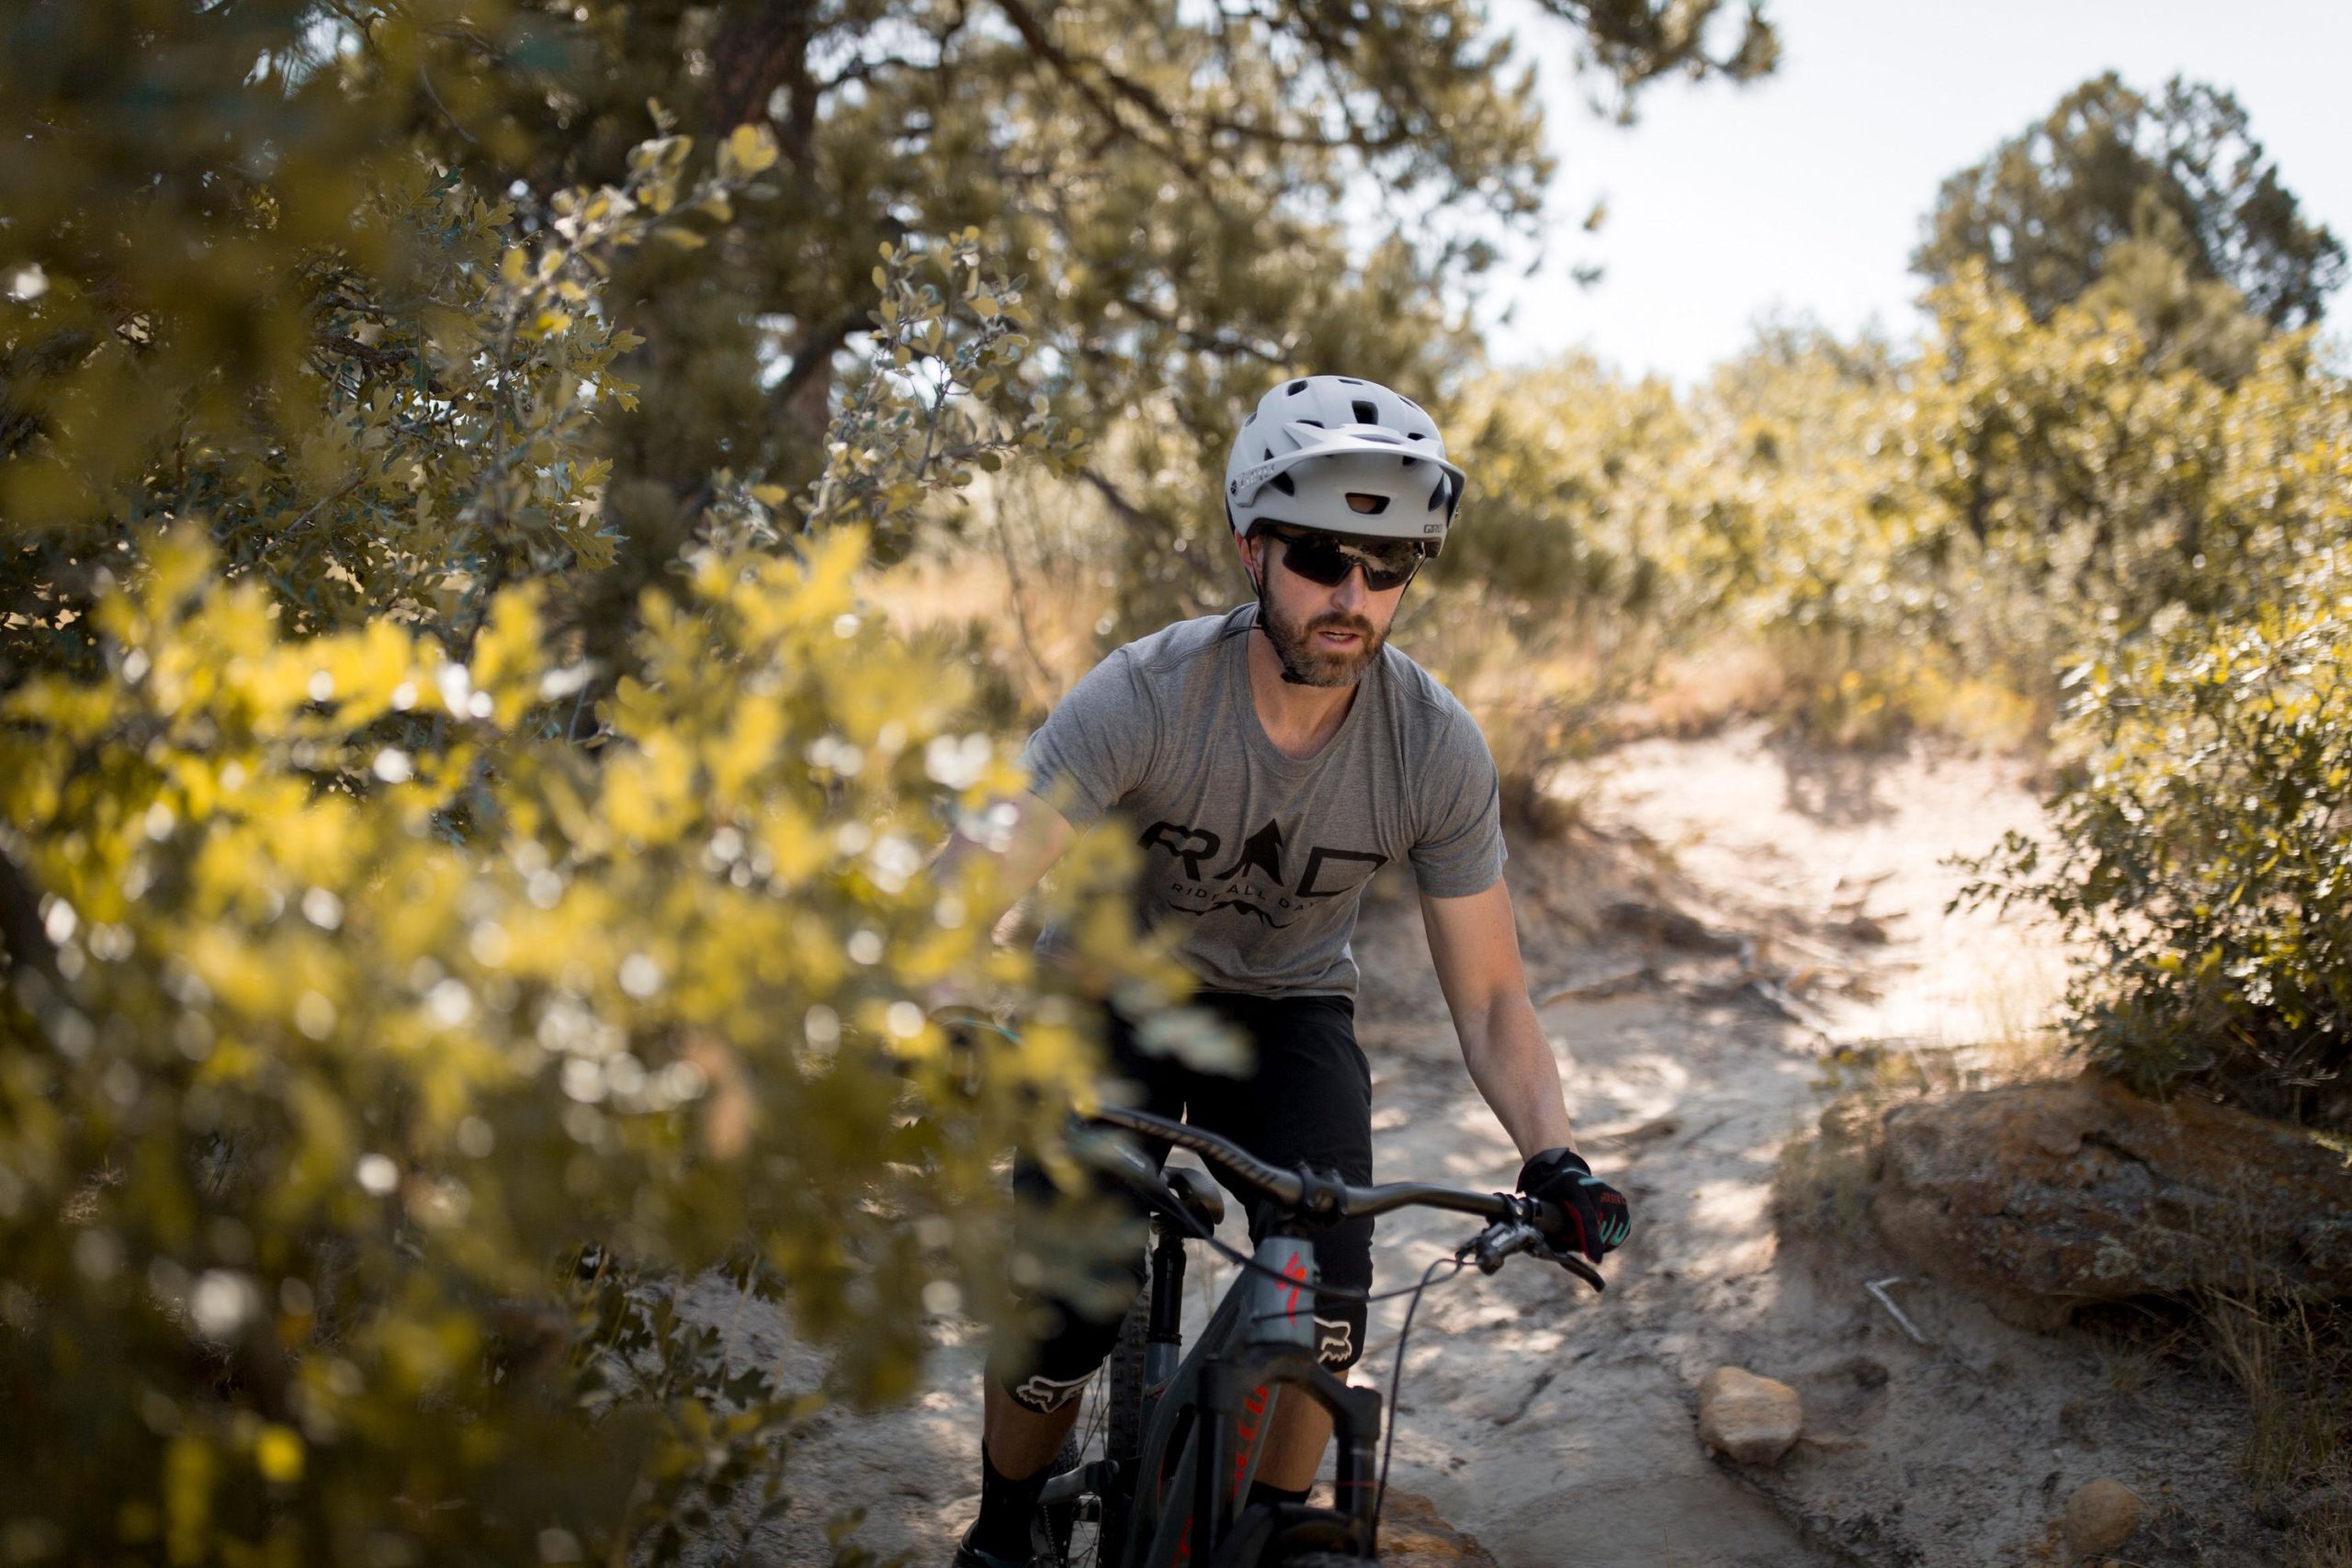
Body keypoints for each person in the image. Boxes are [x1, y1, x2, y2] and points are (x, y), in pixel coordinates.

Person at [939, 374, 1632, 1567]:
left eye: (1390, 564)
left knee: (1333, 1324)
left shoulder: (1435, 746)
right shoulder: (1145, 697)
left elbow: (1493, 995)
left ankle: (1264, 1540)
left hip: (1291, 1008)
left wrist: (1550, 1153)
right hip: (1112, 995)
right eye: (1321, 555)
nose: (1353, 597)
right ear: (1252, 545)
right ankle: (1004, 1533)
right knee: (1066, 1311)